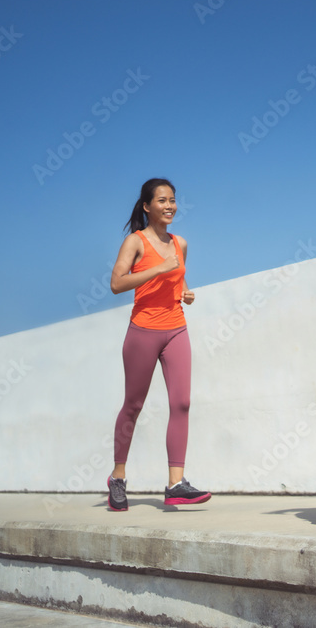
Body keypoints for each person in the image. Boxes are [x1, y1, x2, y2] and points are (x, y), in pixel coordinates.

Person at [105, 178, 210, 511]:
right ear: (147, 206)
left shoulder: (181, 243)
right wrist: (158, 270)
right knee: (133, 405)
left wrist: (186, 292)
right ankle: (118, 478)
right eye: (162, 200)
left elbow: (177, 278)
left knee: (181, 403)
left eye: (173, 200)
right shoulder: (135, 242)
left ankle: (175, 484)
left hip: (176, 328)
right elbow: (116, 283)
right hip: (143, 331)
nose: (170, 206)